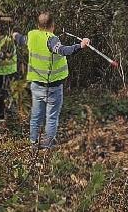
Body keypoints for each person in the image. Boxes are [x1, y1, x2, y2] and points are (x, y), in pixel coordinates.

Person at [13, 12, 90, 149]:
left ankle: (33, 142)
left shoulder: (32, 36)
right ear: (52, 26)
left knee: (36, 115)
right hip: (52, 87)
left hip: (36, 85)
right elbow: (63, 50)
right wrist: (81, 45)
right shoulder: (52, 39)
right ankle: (47, 144)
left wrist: (14, 35)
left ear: (38, 25)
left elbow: (21, 39)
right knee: (51, 117)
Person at [0, 25, 17, 120]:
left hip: (7, 72)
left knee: (7, 94)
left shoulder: (8, 41)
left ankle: (10, 116)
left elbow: (7, 55)